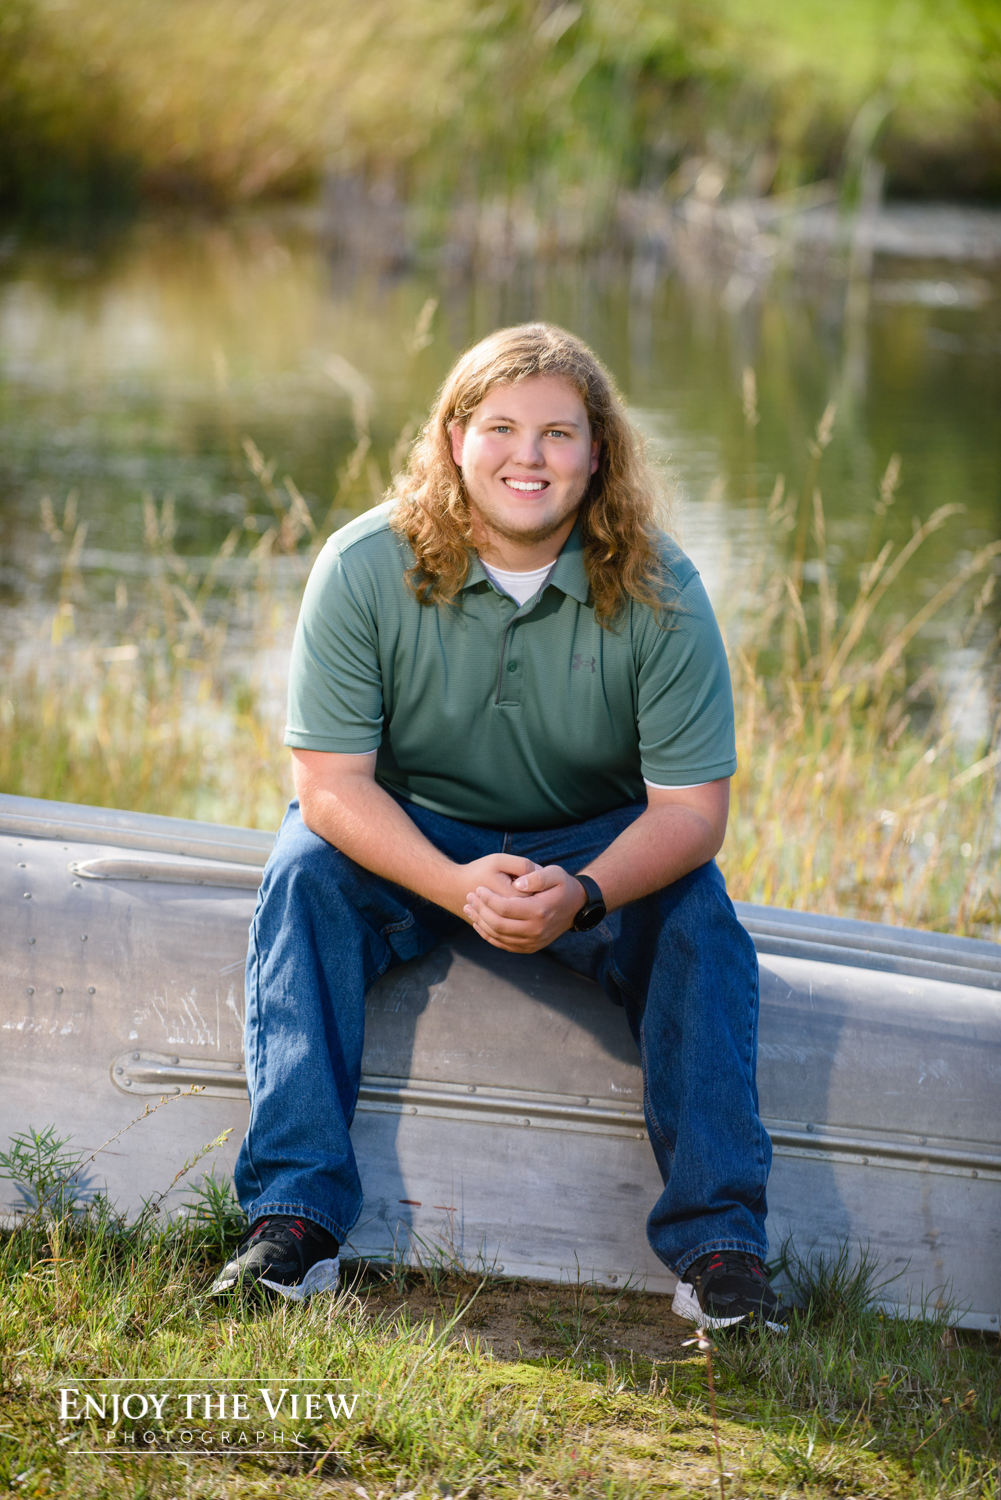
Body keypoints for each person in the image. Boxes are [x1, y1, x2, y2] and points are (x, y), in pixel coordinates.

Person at [211, 322, 789, 1332]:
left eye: (558, 433)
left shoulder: (660, 589)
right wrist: (453, 884)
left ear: (597, 452)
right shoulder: (363, 565)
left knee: (696, 918)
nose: (530, 457)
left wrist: (586, 893)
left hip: (590, 841)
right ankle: (293, 1221)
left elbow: (692, 814)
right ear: (453, 438)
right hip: (416, 833)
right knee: (304, 872)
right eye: (501, 428)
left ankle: (720, 1250)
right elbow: (331, 787)